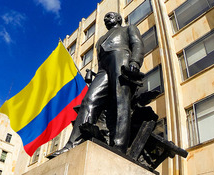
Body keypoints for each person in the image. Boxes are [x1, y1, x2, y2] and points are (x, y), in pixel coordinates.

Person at [51, 12, 144, 157]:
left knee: (121, 100)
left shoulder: (129, 28)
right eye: (105, 17)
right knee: (89, 100)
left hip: (121, 58)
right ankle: (73, 144)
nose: (106, 18)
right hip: (103, 69)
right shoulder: (100, 39)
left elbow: (137, 43)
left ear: (119, 18)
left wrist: (135, 62)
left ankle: (119, 147)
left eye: (110, 15)